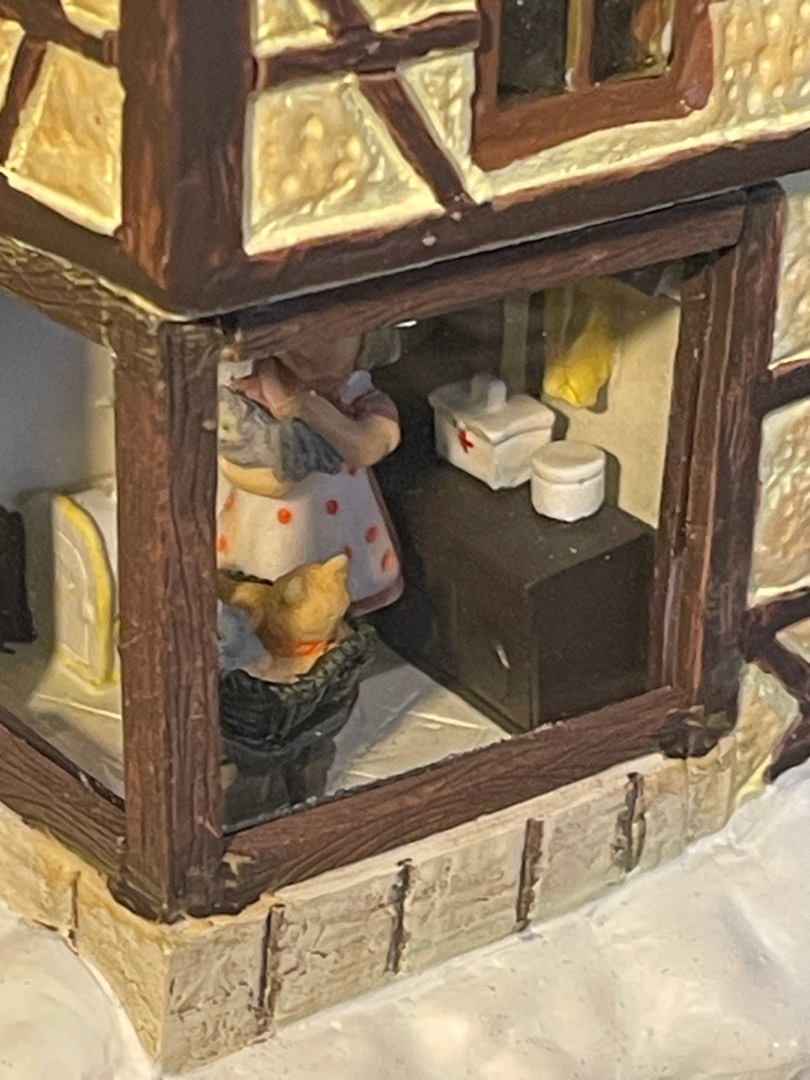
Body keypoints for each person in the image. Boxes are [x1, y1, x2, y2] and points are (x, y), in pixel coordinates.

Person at [216, 330, 403, 616]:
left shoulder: (358, 397)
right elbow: (230, 456)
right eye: (292, 332)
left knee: (329, 601)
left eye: (331, 333)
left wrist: (309, 408)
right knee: (260, 594)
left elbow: (369, 446)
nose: (308, 345)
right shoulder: (253, 392)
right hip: (262, 530)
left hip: (341, 532)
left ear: (366, 336)